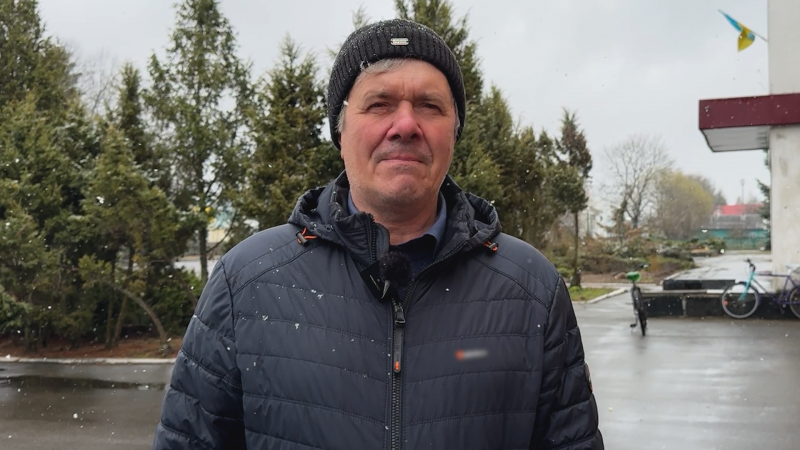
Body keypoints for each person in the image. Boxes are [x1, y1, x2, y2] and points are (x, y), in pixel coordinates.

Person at [152, 18, 603, 450]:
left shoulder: (532, 290)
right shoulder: (244, 283)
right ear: (340, 131)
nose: (405, 125)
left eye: (429, 106)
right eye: (379, 104)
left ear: (454, 133)